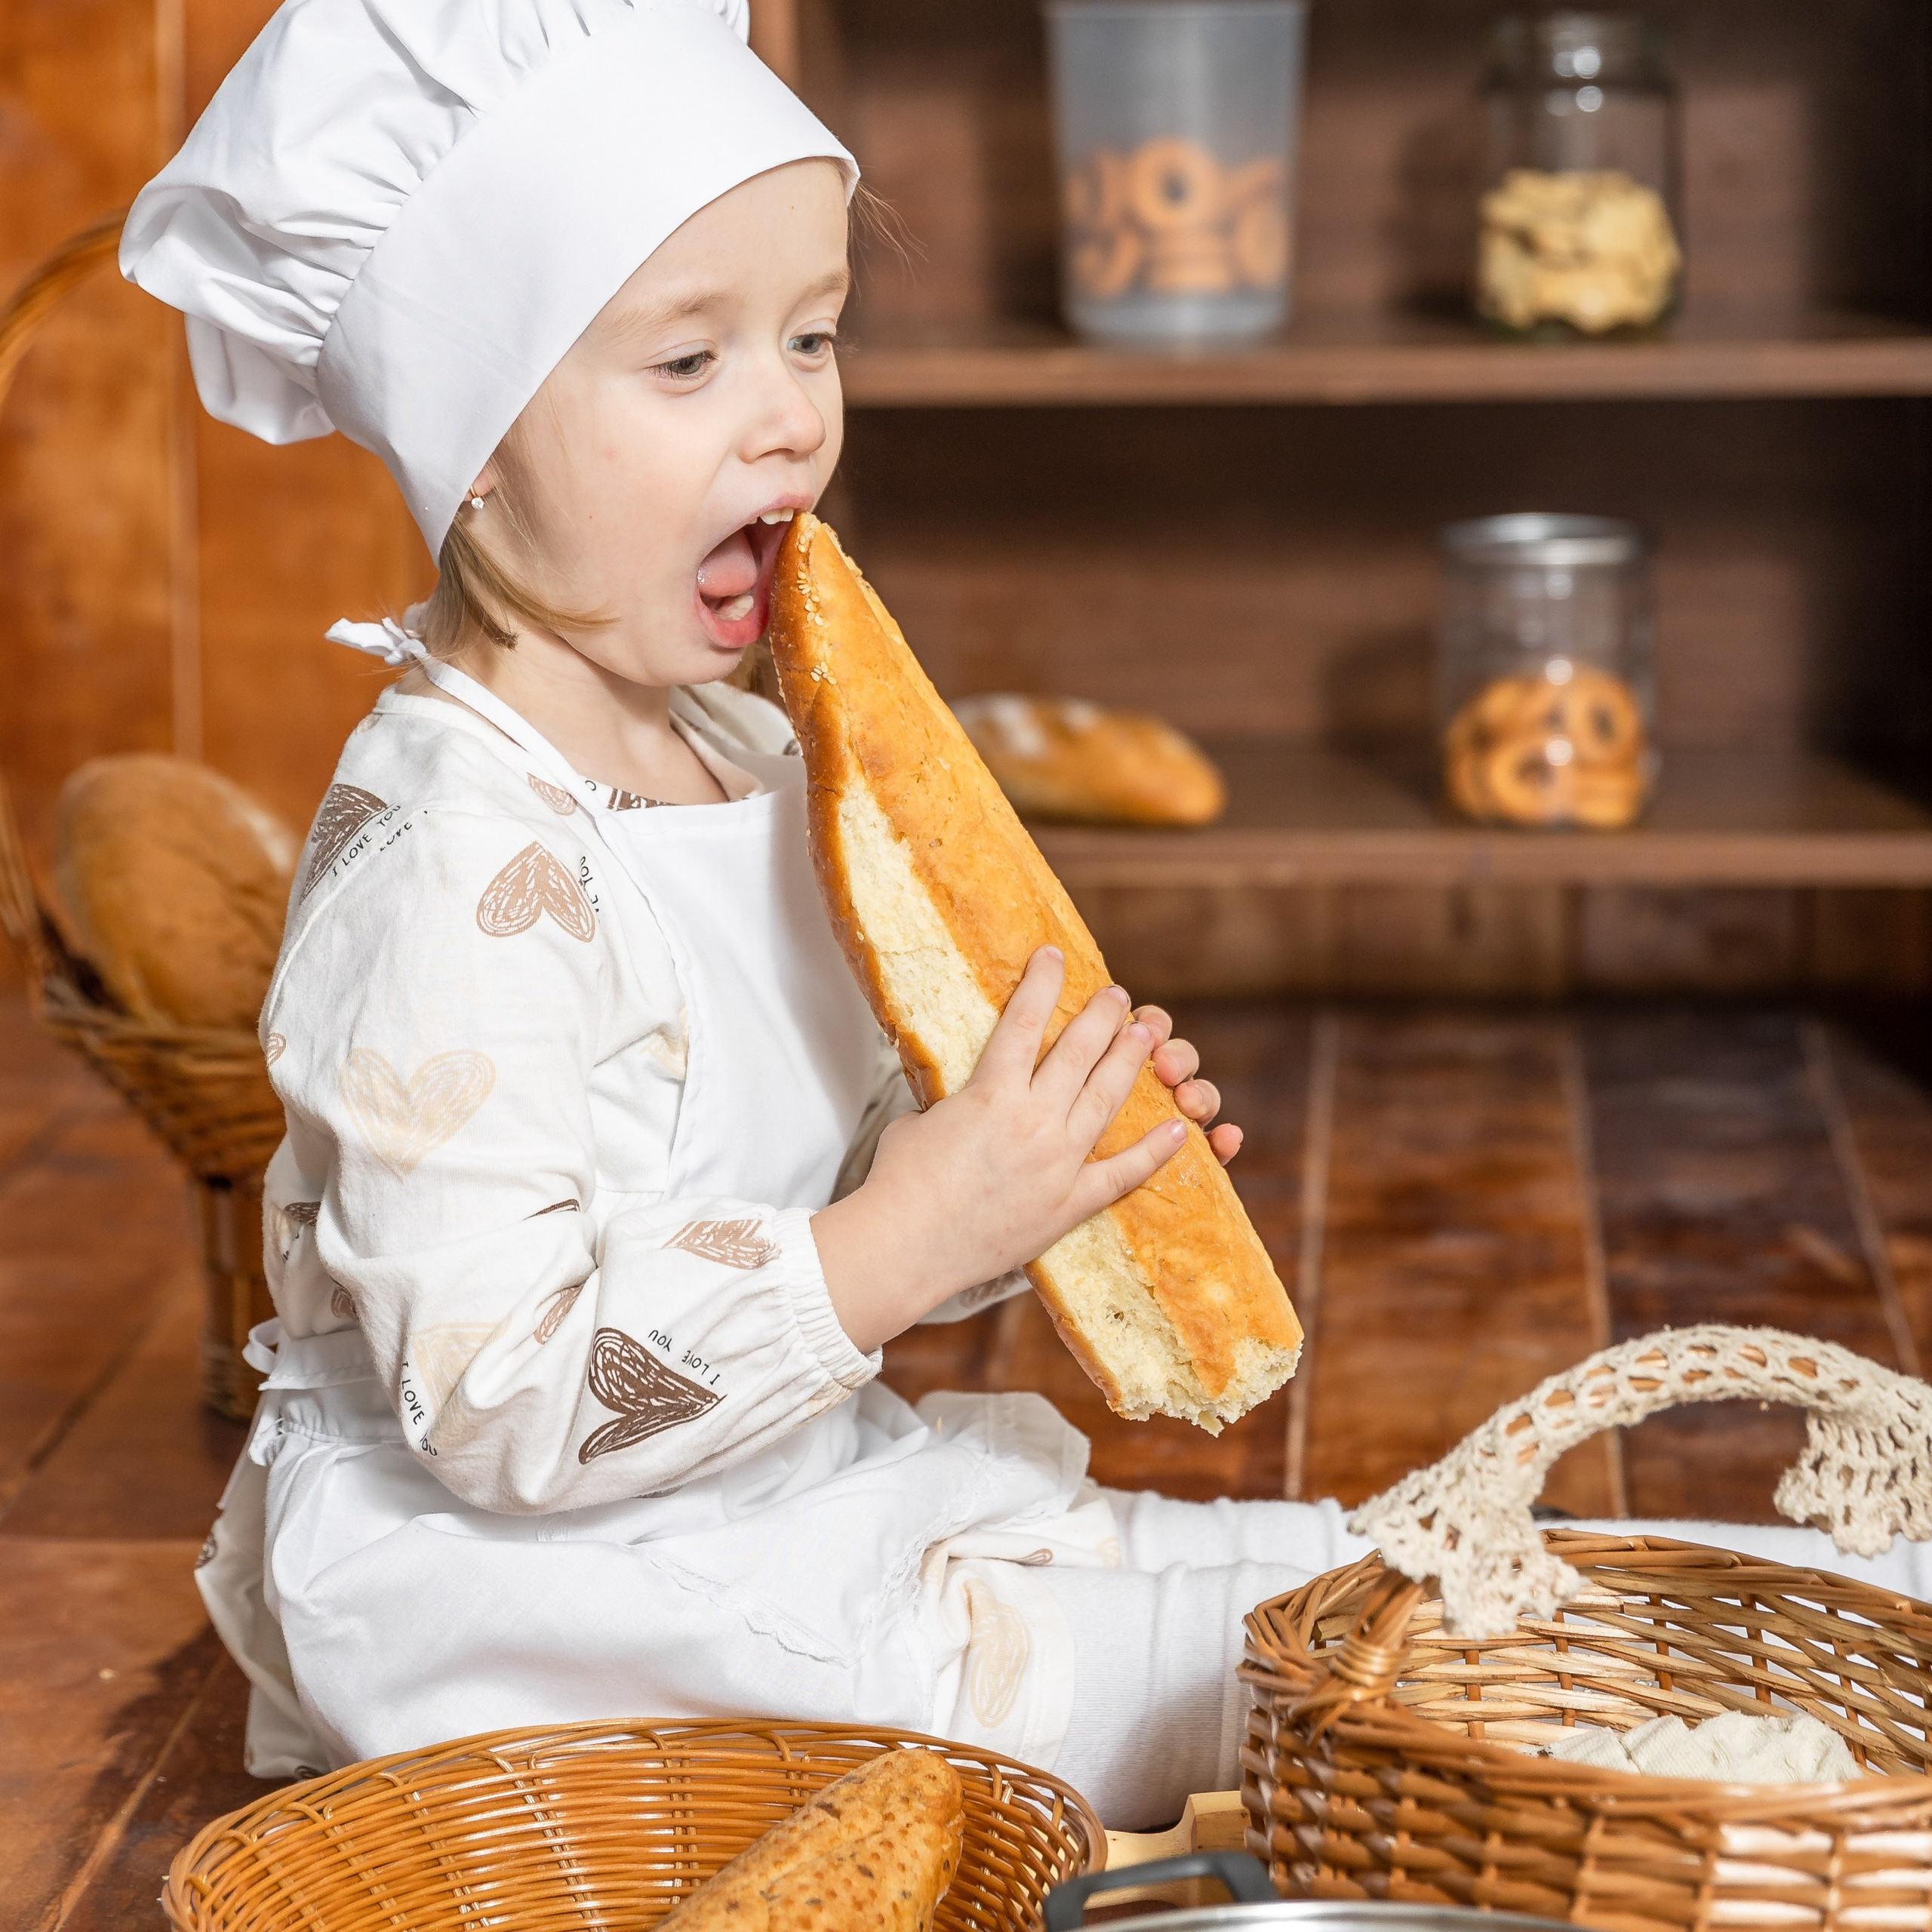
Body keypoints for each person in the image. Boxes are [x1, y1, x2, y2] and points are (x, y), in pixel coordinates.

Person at [121, 0, 1932, 1829]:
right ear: (476, 439)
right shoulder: (445, 857)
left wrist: (1011, 1178)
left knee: (1340, 1561)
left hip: (788, 1483)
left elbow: (806, 1182)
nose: (788, 415)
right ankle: (1654, 1718)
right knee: (1260, 1685)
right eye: (689, 361)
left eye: (811, 335)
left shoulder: (746, 748)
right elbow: (492, 1394)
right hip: (548, 1599)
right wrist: (906, 1239)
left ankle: (1830, 1608)